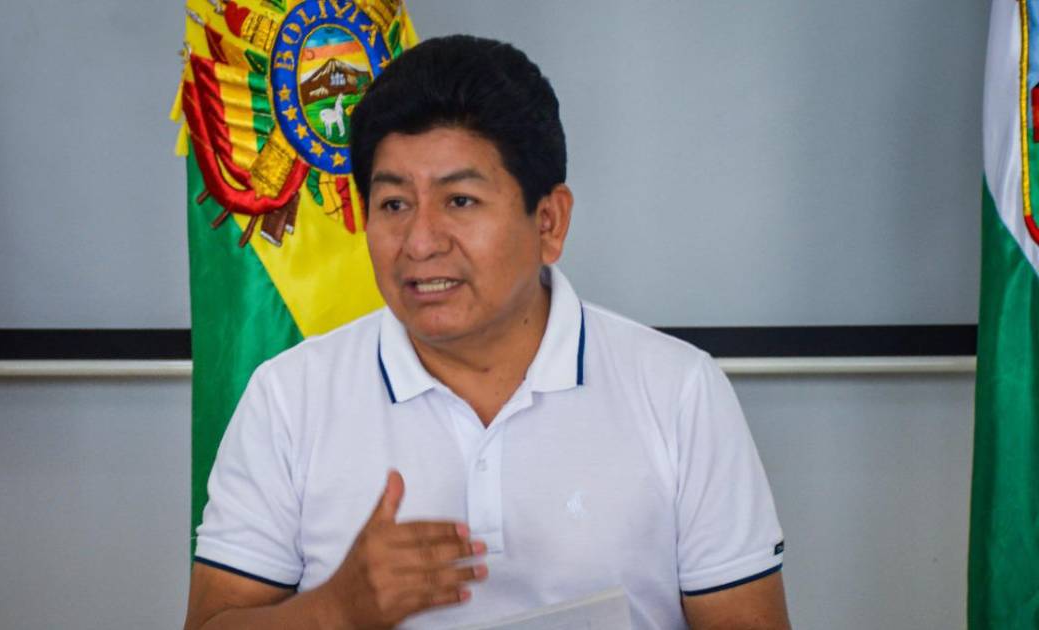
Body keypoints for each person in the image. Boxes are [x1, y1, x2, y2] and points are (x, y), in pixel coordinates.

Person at [182, 34, 790, 630]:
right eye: (394, 205)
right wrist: (335, 612)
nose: (420, 242)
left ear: (549, 221)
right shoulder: (290, 397)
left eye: (461, 201)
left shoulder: (678, 390)